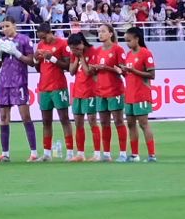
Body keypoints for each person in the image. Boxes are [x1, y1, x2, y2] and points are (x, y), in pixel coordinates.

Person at [0, 19, 39, 163]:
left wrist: (16, 53)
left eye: (7, 26)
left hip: (19, 82)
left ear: (14, 25)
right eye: (3, 27)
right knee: (3, 118)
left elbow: (32, 62)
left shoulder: (24, 39)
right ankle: (5, 153)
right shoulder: (1, 41)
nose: (5, 29)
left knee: (25, 116)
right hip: (4, 82)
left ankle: (33, 153)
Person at [88, 23, 129, 163]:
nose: (100, 34)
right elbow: (93, 72)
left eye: (103, 31)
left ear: (111, 34)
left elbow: (123, 71)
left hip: (114, 90)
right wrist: (94, 69)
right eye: (99, 32)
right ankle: (106, 154)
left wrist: (107, 68)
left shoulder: (118, 49)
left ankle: (123, 153)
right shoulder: (97, 51)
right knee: (104, 122)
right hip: (100, 91)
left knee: (118, 121)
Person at [33, 26, 74, 161]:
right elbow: (38, 68)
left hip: (58, 86)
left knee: (64, 119)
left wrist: (53, 58)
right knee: (46, 121)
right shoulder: (40, 45)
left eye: (44, 37)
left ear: (51, 33)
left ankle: (69, 152)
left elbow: (68, 66)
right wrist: (35, 59)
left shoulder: (62, 43)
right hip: (44, 87)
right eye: (40, 38)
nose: (43, 40)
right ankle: (47, 154)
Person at [123, 29, 158, 162]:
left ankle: (152, 155)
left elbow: (152, 75)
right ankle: (134, 155)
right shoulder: (128, 54)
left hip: (141, 93)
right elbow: (129, 74)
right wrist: (122, 71)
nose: (127, 43)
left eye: (129, 40)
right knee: (131, 124)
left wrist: (133, 70)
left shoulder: (146, 53)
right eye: (126, 40)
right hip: (129, 94)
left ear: (137, 39)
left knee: (143, 123)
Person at [68, 34, 95, 162]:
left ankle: (97, 153)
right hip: (77, 91)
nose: (75, 50)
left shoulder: (92, 52)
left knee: (92, 122)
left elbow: (88, 71)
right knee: (78, 123)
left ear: (82, 43)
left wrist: (82, 57)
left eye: (77, 48)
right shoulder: (74, 54)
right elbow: (72, 71)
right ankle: (80, 153)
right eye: (72, 49)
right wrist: (75, 58)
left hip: (90, 91)